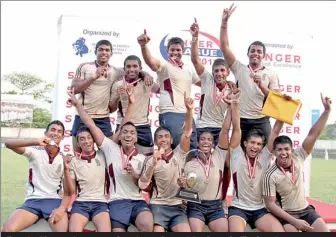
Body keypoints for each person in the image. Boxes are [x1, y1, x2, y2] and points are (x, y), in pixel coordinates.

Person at [67, 86, 154, 232]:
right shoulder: (110, 148)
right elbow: (90, 124)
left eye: (132, 133)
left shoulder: (142, 158)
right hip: (116, 202)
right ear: (119, 135)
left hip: (138, 202)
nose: (128, 135)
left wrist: (135, 175)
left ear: (136, 137)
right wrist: (78, 105)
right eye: (124, 132)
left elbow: (147, 186)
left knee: (146, 224)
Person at [263, 93, 332, 232]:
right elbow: (270, 205)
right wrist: (295, 222)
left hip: (306, 210)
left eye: (286, 149)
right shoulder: (270, 174)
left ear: (292, 149)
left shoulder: (298, 156)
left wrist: (327, 111)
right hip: (287, 215)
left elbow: (313, 133)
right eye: (279, 150)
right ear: (274, 152)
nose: (283, 153)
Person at [71, 40, 152, 151]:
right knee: (78, 153)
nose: (104, 52)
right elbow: (74, 89)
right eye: (101, 49)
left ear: (111, 54)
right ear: (95, 51)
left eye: (107, 50)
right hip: (83, 116)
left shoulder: (116, 71)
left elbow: (134, 71)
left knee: (108, 154)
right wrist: (94, 76)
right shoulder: (85, 67)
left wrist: (145, 74)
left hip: (103, 118)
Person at [220, 3, 280, 145]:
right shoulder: (239, 68)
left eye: (259, 51)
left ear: (264, 55)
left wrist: (262, 86)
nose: (255, 53)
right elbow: (224, 47)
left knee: (266, 153)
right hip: (241, 120)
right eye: (252, 50)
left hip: (262, 120)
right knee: (238, 156)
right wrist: (224, 23)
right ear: (248, 53)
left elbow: (277, 99)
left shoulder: (271, 74)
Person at [227, 88, 285, 232]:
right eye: (252, 143)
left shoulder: (265, 155)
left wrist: (284, 106)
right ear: (245, 143)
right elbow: (236, 129)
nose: (255, 146)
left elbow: (276, 131)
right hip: (238, 208)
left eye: (259, 144)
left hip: (259, 209)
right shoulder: (236, 154)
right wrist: (235, 103)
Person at [138, 93, 194, 232]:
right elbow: (143, 185)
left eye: (166, 136)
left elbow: (187, 132)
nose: (163, 139)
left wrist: (189, 111)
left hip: (177, 206)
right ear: (155, 141)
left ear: (171, 140)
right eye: (160, 137)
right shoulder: (149, 159)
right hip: (158, 205)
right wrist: (153, 163)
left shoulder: (180, 153)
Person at [137, 29, 200, 151]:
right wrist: (144, 46)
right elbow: (151, 62)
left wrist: (226, 83)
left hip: (187, 113)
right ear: (167, 51)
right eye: (172, 50)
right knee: (176, 150)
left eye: (178, 50)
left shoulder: (189, 69)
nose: (175, 52)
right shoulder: (164, 66)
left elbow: (206, 83)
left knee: (191, 150)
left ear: (183, 51)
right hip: (171, 113)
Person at [2, 121, 70, 232]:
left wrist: (61, 209)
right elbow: (8, 143)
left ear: (62, 137)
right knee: (7, 230)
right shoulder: (35, 152)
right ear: (46, 133)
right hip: (33, 201)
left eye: (59, 131)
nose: (55, 133)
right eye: (52, 130)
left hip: (54, 201)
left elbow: (69, 190)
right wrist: (36, 142)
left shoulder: (64, 158)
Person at [177, 100, 232, 232]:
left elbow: (224, 131)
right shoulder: (189, 162)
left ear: (214, 145)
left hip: (216, 206)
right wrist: (182, 186)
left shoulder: (219, 156)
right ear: (197, 143)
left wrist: (230, 107)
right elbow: (183, 192)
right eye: (202, 139)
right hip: (196, 206)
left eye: (209, 140)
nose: (206, 142)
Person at [189, 18, 234, 145]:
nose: (219, 74)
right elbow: (195, 59)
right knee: (198, 160)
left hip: (220, 128)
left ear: (227, 72)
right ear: (212, 72)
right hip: (202, 126)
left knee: (223, 161)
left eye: (222, 71)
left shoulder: (232, 88)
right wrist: (195, 37)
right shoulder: (207, 79)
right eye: (216, 71)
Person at [62, 125, 111, 232]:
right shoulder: (73, 161)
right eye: (82, 139)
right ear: (78, 143)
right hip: (81, 204)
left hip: (100, 203)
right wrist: (66, 170)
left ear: (93, 140)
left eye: (89, 137)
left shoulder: (103, 155)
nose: (86, 141)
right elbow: (71, 191)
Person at [109, 55, 160, 156]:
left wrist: (146, 74)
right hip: (123, 125)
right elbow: (111, 109)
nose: (131, 69)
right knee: (120, 159)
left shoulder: (147, 81)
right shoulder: (117, 85)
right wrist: (116, 97)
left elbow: (161, 90)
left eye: (135, 66)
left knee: (147, 160)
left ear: (140, 68)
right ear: (124, 69)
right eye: (128, 66)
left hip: (142, 126)